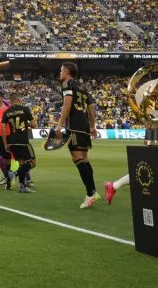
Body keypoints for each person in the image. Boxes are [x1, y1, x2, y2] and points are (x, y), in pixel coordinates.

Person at [56, 62, 100, 208]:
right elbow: (91, 107)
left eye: (61, 70)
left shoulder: (67, 85)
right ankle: (93, 191)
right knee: (84, 159)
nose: (60, 72)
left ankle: (90, 194)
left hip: (74, 127)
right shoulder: (82, 87)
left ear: (67, 72)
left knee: (78, 159)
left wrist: (60, 124)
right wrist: (93, 126)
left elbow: (67, 105)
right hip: (84, 126)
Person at [2, 90, 35, 194]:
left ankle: (22, 186)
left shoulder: (6, 112)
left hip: (12, 141)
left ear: (10, 101)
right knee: (32, 163)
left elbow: (3, 129)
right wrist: (27, 123)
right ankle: (14, 173)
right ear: (19, 99)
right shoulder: (25, 109)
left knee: (21, 163)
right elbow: (34, 125)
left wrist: (5, 144)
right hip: (23, 141)